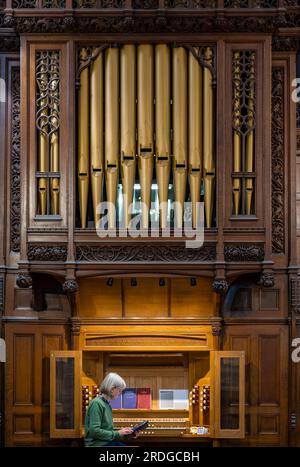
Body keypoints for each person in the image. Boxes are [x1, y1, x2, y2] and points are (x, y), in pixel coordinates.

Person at [84, 372, 134, 447]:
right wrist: (118, 433)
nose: (120, 394)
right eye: (119, 390)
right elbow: (94, 431)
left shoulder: (106, 404)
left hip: (107, 443)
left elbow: (109, 434)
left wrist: (129, 434)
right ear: (112, 388)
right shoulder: (96, 403)